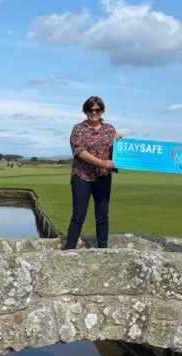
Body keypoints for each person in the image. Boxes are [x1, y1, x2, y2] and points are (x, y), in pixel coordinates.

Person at [64, 96, 117, 249]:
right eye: (90, 109)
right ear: (85, 111)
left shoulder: (110, 129)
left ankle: (103, 249)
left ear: (102, 111)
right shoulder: (78, 129)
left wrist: (122, 145)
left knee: (102, 216)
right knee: (78, 215)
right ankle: (69, 249)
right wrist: (102, 162)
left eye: (97, 109)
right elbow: (80, 152)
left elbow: (116, 152)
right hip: (82, 176)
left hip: (103, 177)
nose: (94, 112)